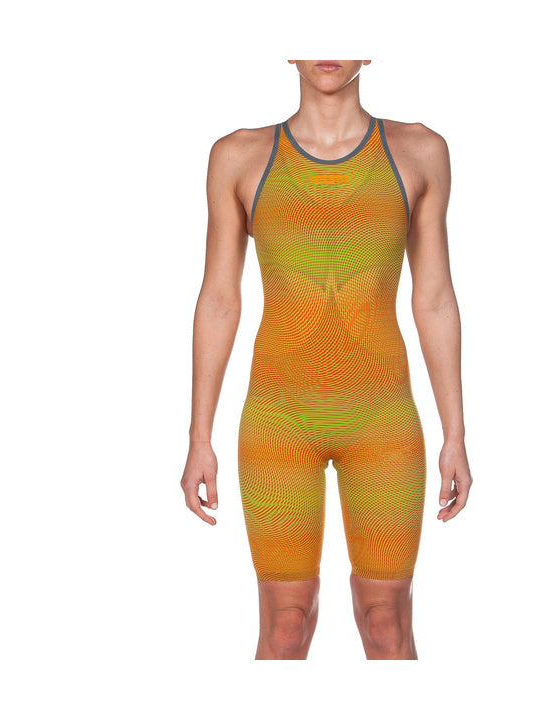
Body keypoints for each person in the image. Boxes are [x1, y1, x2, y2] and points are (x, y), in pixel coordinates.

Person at [180, 60, 472, 660]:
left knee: (387, 624)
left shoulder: (420, 152)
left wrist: (456, 435)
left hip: (382, 420)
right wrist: (198, 437)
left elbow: (435, 299)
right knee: (285, 627)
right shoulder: (239, 156)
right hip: (280, 420)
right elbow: (219, 299)